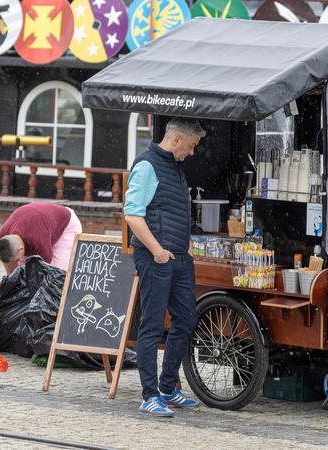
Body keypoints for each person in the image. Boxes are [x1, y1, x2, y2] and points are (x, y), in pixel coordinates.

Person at [124, 118, 206, 417]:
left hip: (178, 257)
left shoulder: (174, 167)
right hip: (156, 256)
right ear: (177, 139)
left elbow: (171, 210)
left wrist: (183, 249)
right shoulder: (146, 165)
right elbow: (132, 215)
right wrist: (158, 251)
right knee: (152, 324)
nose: (193, 152)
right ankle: (149, 395)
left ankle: (168, 387)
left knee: (185, 318)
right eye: (192, 145)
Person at [0, 202, 82, 274]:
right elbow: (10, 271)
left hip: (66, 225)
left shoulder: (39, 242)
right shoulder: (2, 237)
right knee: (23, 272)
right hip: (43, 223)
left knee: (59, 273)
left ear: (21, 249)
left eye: (17, 259)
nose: (17, 262)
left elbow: (44, 272)